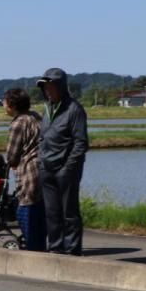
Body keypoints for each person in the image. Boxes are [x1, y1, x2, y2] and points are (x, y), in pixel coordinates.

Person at [37, 68, 88, 255]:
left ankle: (72, 250)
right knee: (51, 212)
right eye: (45, 87)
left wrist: (68, 168)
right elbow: (42, 137)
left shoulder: (74, 109)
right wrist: (40, 160)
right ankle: (56, 248)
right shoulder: (48, 108)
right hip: (46, 168)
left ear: (60, 86)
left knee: (69, 212)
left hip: (66, 170)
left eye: (50, 86)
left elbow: (81, 143)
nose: (47, 91)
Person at [3, 87, 46, 252]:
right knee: (40, 213)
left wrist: (8, 165)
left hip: (28, 171)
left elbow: (12, 155)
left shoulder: (18, 123)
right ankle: (39, 246)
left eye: (5, 102)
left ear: (12, 105)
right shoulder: (35, 116)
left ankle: (32, 249)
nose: (3, 105)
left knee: (26, 210)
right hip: (44, 168)